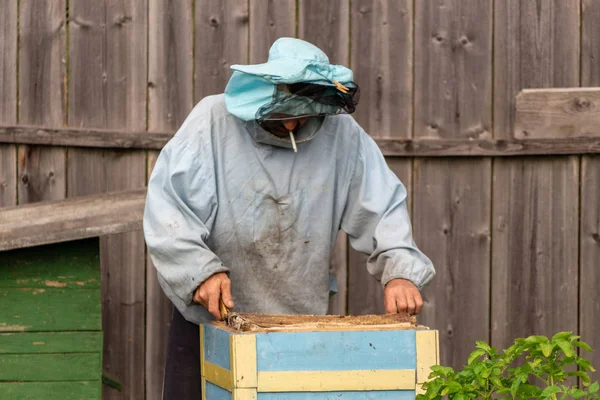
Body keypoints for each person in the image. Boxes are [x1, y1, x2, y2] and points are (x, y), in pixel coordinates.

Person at [143, 37, 435, 399]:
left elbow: (381, 206)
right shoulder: (212, 121)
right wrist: (199, 271)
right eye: (288, 112)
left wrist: (401, 271)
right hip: (208, 320)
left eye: (306, 114)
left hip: (299, 325)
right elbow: (169, 208)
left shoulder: (342, 136)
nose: (295, 125)